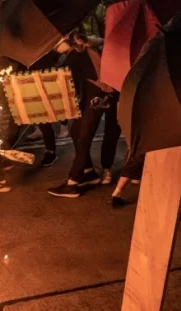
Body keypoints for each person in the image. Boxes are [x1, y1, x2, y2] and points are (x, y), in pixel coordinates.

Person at [47, 37, 120, 198]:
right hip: (92, 93)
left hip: (99, 95)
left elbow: (62, 75)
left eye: (55, 45)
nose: (54, 48)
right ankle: (88, 172)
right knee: (76, 132)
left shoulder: (77, 52)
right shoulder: (80, 49)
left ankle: (73, 182)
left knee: (83, 137)